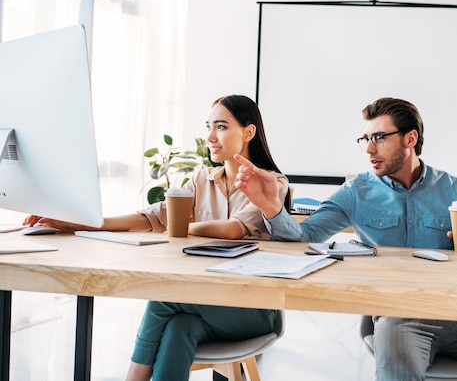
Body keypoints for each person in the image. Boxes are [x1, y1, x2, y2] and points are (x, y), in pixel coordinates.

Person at [234, 97, 457, 381]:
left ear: (410, 138)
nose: (368, 148)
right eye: (364, 139)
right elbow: (305, 237)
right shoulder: (356, 192)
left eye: (379, 137)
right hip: (400, 315)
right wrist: (271, 206)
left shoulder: (455, 189)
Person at [24, 95, 289, 381]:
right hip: (204, 301)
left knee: (164, 299)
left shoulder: (273, 183)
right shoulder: (201, 180)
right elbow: (149, 217)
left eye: (221, 126)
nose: (211, 136)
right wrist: (79, 223)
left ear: (248, 132)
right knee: (179, 327)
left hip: (252, 309)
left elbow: (232, 229)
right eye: (208, 126)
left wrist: (176, 227)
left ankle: (133, 377)